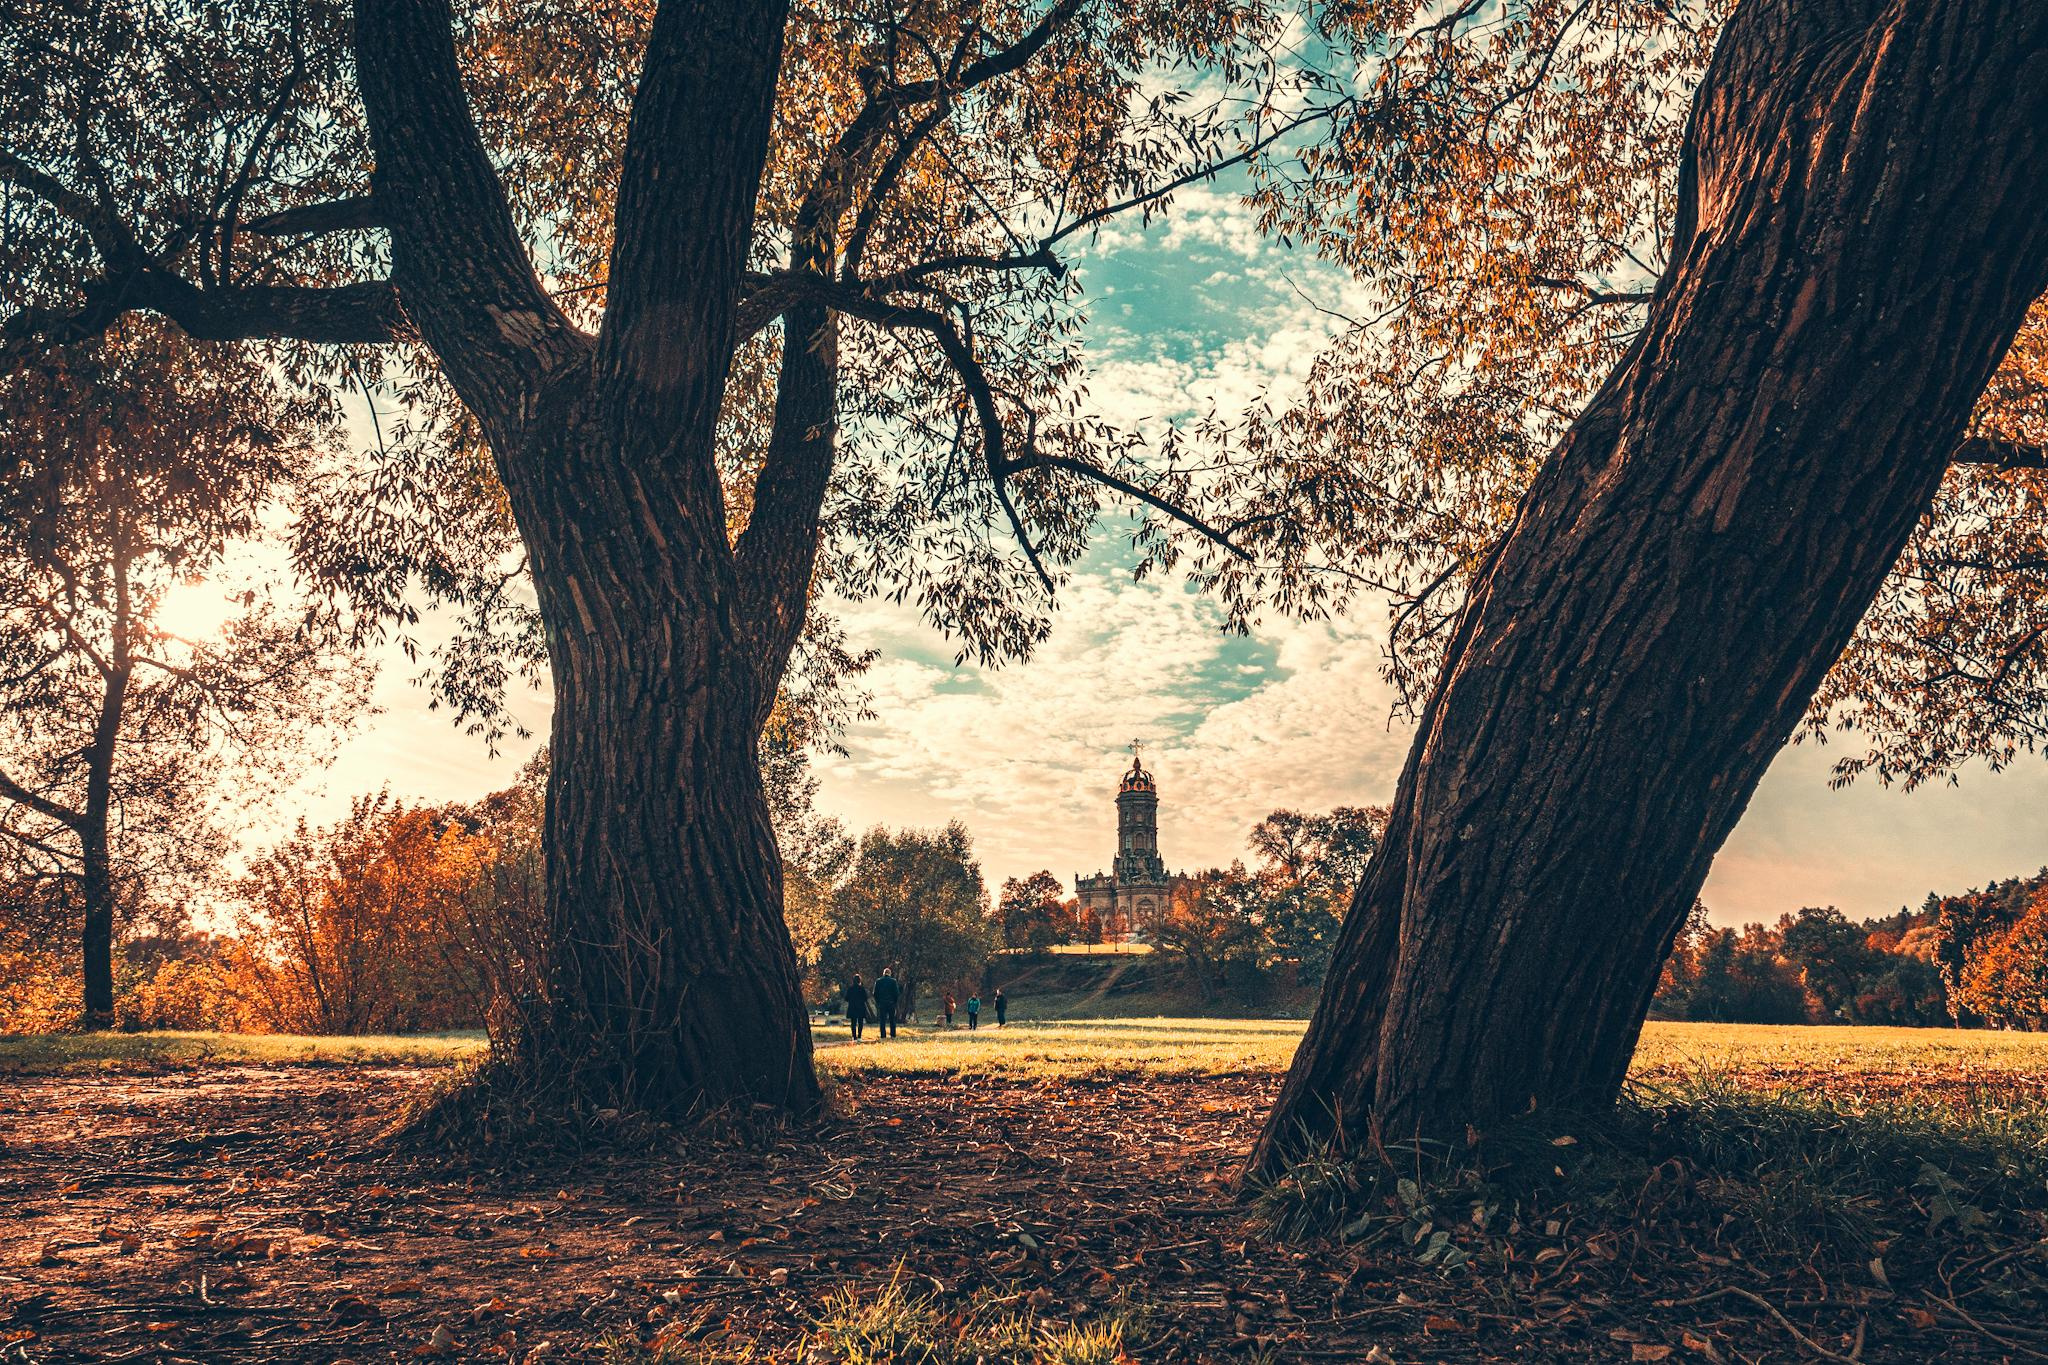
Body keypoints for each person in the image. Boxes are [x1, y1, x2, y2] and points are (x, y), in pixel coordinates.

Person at [873, 966, 902, 1039]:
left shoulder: (878, 981)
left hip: (882, 1003)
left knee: (882, 1020)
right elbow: (896, 993)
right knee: (892, 1020)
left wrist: (878, 1002)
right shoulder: (893, 981)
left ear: (883, 974)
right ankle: (893, 1035)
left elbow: (875, 993)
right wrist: (894, 1002)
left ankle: (883, 1036)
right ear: (890, 974)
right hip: (891, 1003)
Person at [843, 974, 869, 1041]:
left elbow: (846, 998)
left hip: (852, 1007)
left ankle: (854, 1037)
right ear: (859, 980)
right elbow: (866, 998)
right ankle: (859, 1037)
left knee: (853, 1023)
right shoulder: (862, 989)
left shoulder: (850, 989)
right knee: (860, 1022)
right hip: (860, 1007)